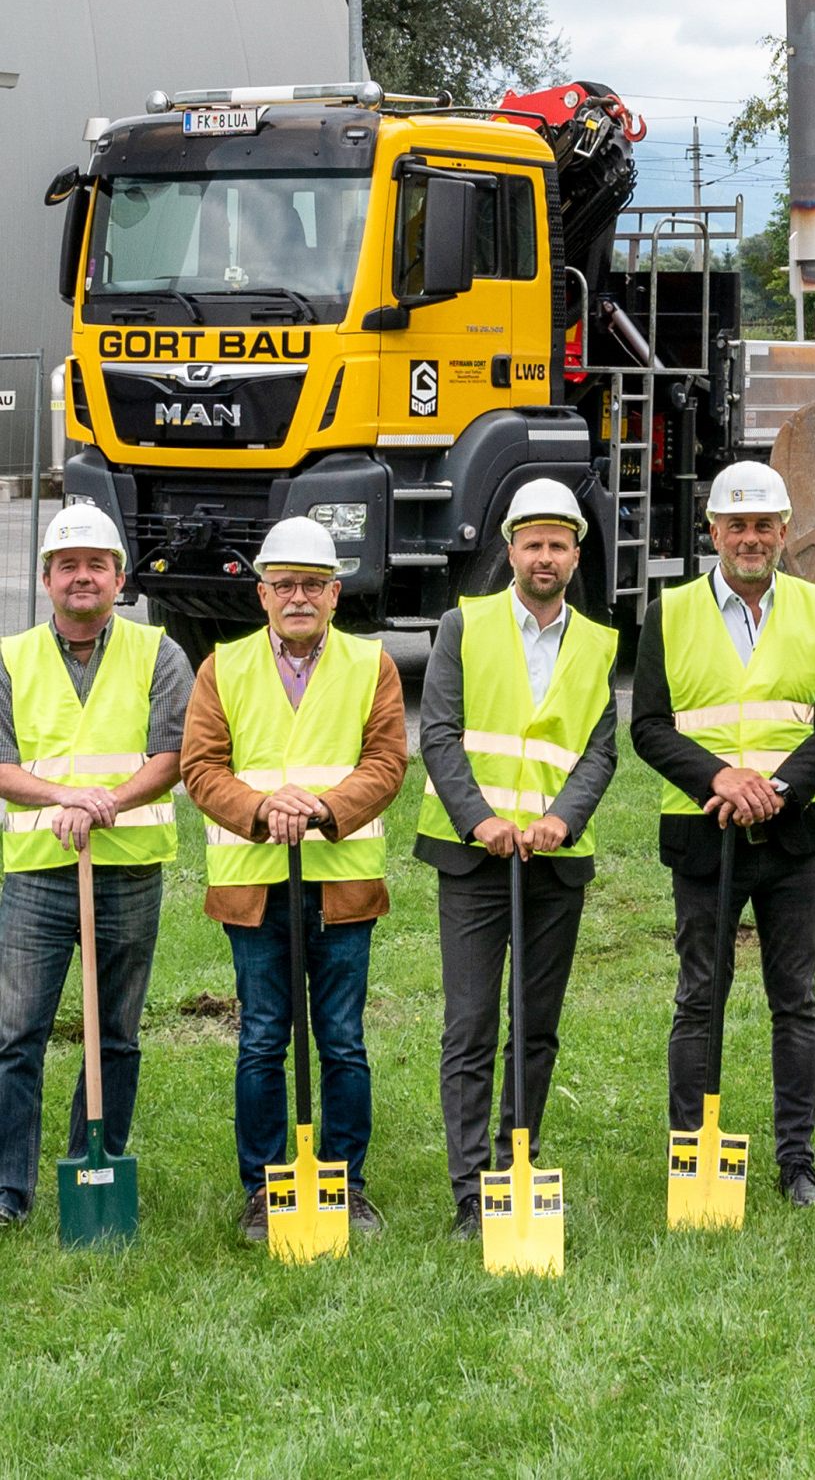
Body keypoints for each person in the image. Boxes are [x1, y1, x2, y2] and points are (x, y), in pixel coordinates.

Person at [632, 460, 815, 1207]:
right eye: (737, 525)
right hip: (703, 835)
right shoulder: (668, 613)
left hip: (791, 840)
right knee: (700, 996)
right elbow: (649, 726)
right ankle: (691, 1151)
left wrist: (779, 790)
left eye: (764, 524)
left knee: (794, 1000)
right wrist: (719, 779)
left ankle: (797, 1163)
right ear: (713, 531)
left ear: (784, 531)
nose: (751, 538)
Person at [181, 516, 406, 1241]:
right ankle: (263, 1189)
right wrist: (261, 807)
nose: (299, 597)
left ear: (336, 594)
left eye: (312, 585)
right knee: (262, 1037)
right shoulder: (224, 667)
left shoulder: (374, 666)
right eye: (285, 585)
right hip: (254, 883)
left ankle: (347, 1184)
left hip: (342, 881)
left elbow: (386, 762)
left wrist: (324, 809)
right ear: (263, 595)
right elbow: (201, 768)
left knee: (341, 1037)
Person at [417, 478, 619, 1238]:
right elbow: (437, 734)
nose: (544, 556)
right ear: (509, 551)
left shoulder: (598, 643)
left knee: (535, 1026)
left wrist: (564, 820)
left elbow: (599, 751)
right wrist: (479, 822)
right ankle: (471, 1191)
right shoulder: (461, 627)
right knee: (469, 1027)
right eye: (531, 543)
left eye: (557, 545)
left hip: (555, 863)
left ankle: (517, 1161)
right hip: (474, 862)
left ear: (575, 554)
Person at [0, 505, 192, 1227]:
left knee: (115, 1034)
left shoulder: (159, 654)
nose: (83, 577)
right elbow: (2, 765)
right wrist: (64, 798)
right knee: (15, 1036)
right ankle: (7, 1191)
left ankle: (96, 1162)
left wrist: (105, 803)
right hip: (37, 877)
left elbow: (170, 756)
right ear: (47, 579)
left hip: (129, 873)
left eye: (97, 565)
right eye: (68, 565)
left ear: (119, 578)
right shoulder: (10, 658)